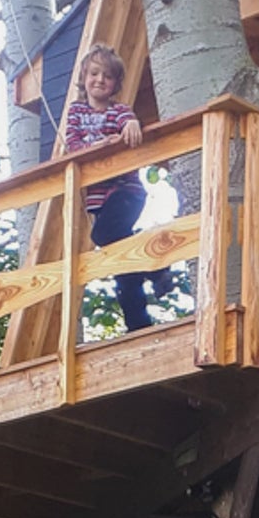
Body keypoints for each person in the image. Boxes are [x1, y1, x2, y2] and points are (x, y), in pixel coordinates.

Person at [64, 44, 174, 331]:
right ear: (84, 78)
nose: (100, 80)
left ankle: (156, 263)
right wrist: (98, 147)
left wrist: (131, 126)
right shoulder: (76, 111)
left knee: (102, 233)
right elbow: (72, 145)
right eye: (94, 73)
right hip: (100, 199)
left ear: (115, 84)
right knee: (122, 265)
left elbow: (129, 122)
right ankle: (138, 325)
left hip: (126, 192)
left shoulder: (118, 111)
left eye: (107, 76)